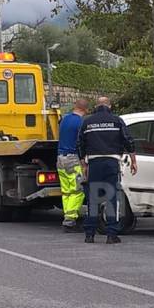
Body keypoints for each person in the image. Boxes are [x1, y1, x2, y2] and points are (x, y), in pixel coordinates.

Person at [77, 96, 137, 244]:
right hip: (111, 162)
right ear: (109, 106)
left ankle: (89, 234)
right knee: (111, 198)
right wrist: (133, 160)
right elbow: (128, 140)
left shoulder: (87, 122)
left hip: (94, 163)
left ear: (96, 106)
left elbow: (80, 144)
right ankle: (111, 234)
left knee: (93, 198)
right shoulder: (116, 120)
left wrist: (83, 164)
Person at [57, 98, 88, 232]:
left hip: (60, 158)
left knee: (66, 191)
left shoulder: (65, 119)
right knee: (78, 190)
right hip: (73, 159)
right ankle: (70, 221)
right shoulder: (81, 123)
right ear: (85, 110)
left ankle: (67, 217)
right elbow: (81, 143)